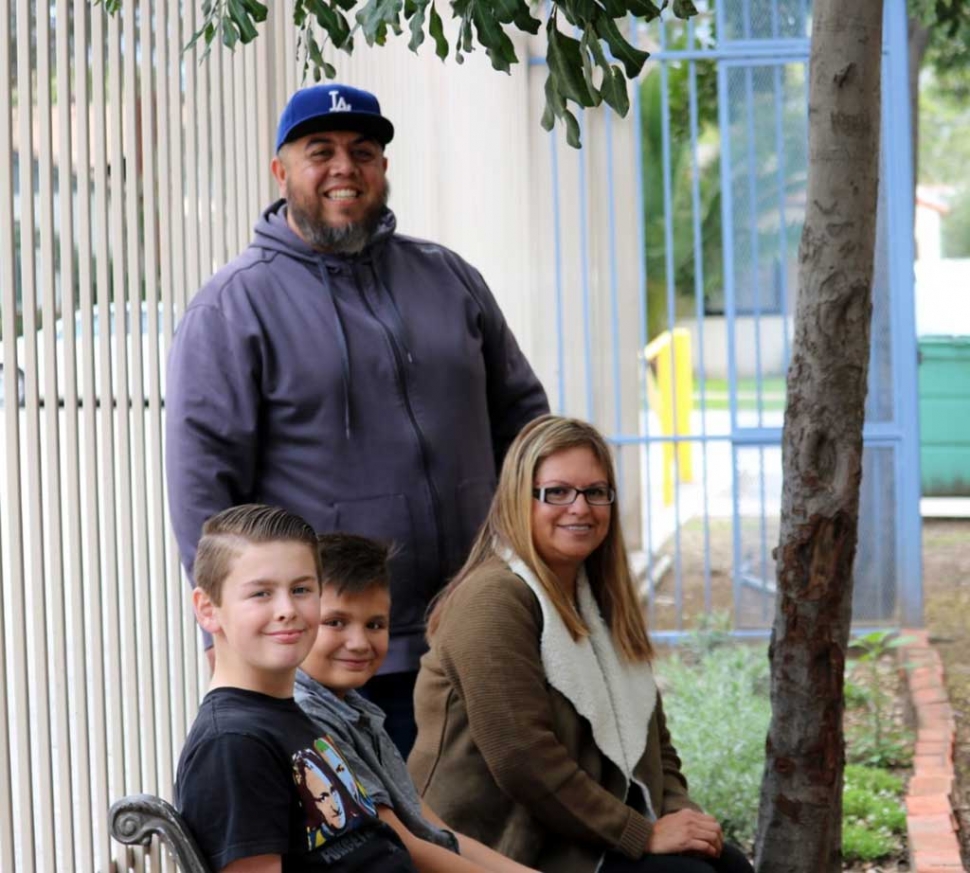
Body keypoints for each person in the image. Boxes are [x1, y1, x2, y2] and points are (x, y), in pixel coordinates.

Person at [165, 82, 549, 756]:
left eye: (363, 151)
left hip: (477, 629)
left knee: (487, 835)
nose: (345, 166)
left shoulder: (449, 278)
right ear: (282, 172)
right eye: (322, 151)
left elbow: (523, 422)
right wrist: (224, 636)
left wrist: (534, 561)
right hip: (336, 653)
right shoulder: (233, 308)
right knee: (377, 853)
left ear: (382, 169)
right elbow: (204, 492)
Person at [407, 415, 755, 873]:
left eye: (595, 492)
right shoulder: (494, 598)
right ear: (519, 499)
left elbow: (655, 741)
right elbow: (522, 759)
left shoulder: (598, 596)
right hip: (499, 846)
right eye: (557, 492)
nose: (580, 507)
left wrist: (678, 815)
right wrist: (643, 834)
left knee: (725, 864)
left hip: (578, 831)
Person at [175, 504, 418, 873]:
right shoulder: (233, 744)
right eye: (261, 594)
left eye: (302, 589)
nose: (287, 609)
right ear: (207, 609)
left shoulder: (289, 716)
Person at [295, 532, 542, 873]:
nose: (359, 642)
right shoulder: (308, 717)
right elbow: (403, 846)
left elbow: (437, 831)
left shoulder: (355, 710)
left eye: (375, 624)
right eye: (336, 622)